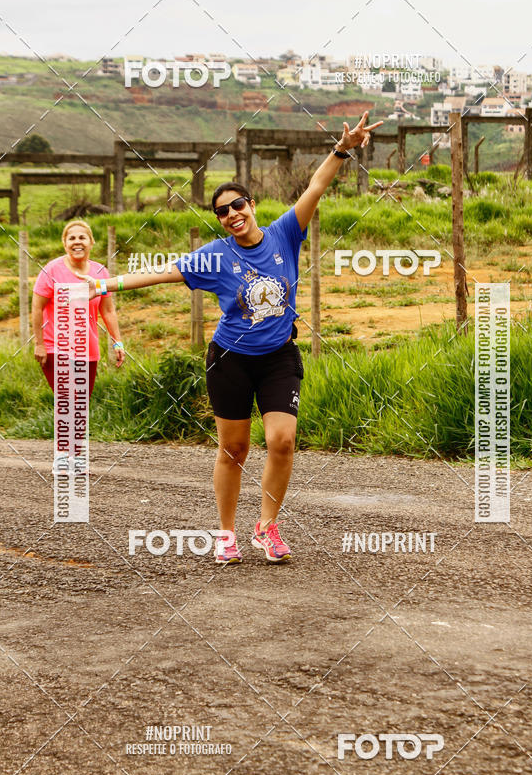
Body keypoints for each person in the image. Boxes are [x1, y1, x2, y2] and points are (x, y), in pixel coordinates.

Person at [79, 112, 382, 563]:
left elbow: (315, 186)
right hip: (230, 359)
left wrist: (343, 148)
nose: (231, 215)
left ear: (251, 204)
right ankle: (225, 533)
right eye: (222, 212)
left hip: (279, 356)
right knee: (234, 448)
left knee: (282, 440)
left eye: (237, 205)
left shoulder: (285, 233)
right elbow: (164, 272)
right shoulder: (214, 255)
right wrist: (109, 284)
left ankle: (266, 527)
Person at [32, 219, 125, 474]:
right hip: (55, 347)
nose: (77, 242)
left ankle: (77, 455)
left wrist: (117, 341)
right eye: (71, 238)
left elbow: (107, 309)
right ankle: (63, 455)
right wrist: (39, 343)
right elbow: (37, 307)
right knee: (66, 400)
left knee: (80, 402)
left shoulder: (100, 272)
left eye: (82, 237)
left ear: (91, 242)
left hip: (88, 349)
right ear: (65, 243)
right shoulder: (51, 270)